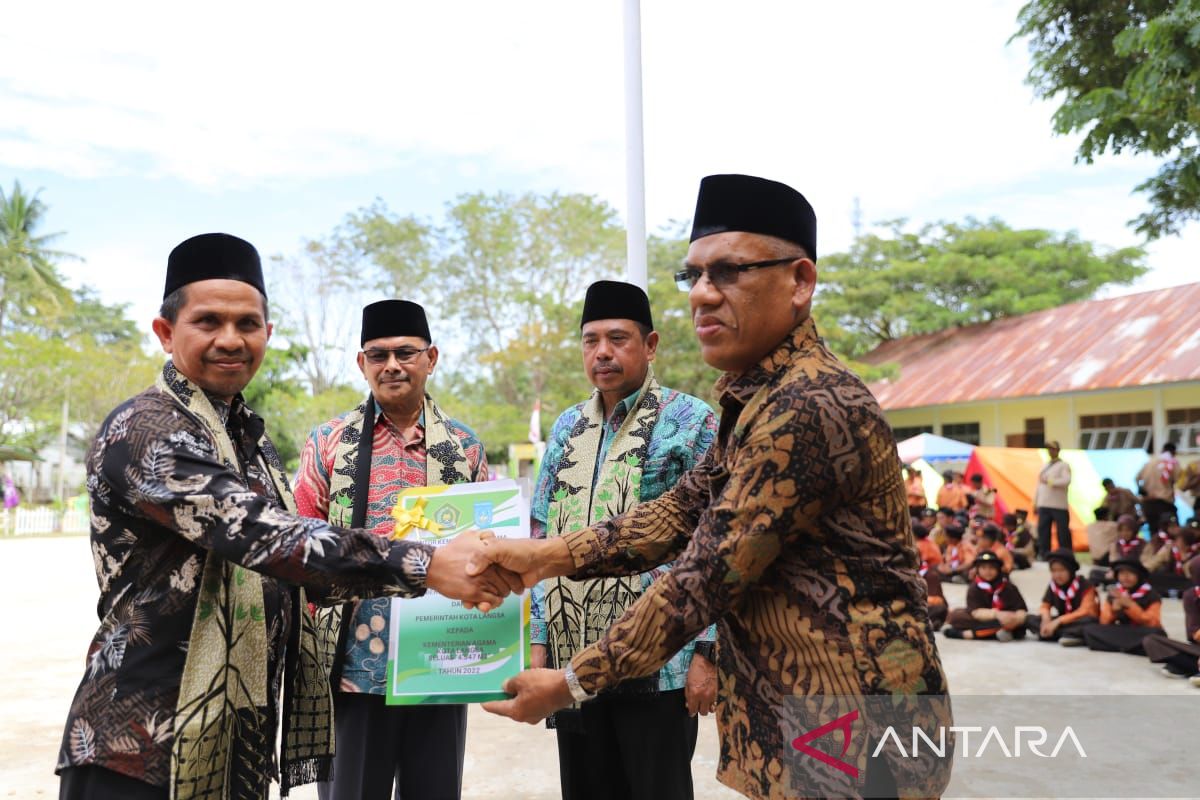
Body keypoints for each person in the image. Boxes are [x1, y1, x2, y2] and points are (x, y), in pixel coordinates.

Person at [468, 174, 952, 800]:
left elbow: (704, 575)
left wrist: (571, 683)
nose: (702, 295)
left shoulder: (807, 405)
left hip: (854, 724)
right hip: (796, 719)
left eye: (728, 272)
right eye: (692, 275)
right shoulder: (753, 398)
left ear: (800, 282)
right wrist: (540, 557)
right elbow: (677, 514)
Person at [54, 234, 517, 800]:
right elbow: (270, 538)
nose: (231, 339)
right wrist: (429, 565)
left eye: (247, 323)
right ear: (165, 332)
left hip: (232, 739)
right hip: (139, 749)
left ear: (267, 335)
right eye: (208, 321)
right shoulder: (148, 430)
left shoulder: (247, 437)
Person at [528, 280, 719, 800]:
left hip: (663, 659)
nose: (603, 353)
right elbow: (543, 536)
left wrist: (708, 652)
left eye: (618, 338)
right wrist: (539, 639)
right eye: (591, 340)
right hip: (575, 659)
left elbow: (719, 542)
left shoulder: (692, 420)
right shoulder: (567, 427)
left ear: (650, 344)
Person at [292, 300, 489, 800]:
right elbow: (299, 545)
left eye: (405, 352)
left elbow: (486, 549)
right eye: (378, 355)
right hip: (351, 671)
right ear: (362, 364)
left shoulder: (464, 449)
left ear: (431, 358)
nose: (392, 365)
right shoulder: (329, 444)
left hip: (442, 662)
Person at [1081, 557, 1165, 656]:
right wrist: (1114, 611)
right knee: (1090, 629)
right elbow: (1104, 622)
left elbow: (1153, 622)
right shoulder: (1115, 593)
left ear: (1139, 575)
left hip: (1142, 631)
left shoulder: (1151, 594)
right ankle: (1132, 648)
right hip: (1123, 630)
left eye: (1130, 573)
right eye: (1121, 573)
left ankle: (1119, 646)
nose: (1125, 577)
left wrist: (1130, 605)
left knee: (1155, 635)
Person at [943, 551, 1028, 641]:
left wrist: (1016, 618)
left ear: (998, 569)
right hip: (984, 619)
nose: (987, 571)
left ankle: (966, 634)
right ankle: (996, 633)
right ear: (977, 570)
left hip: (1008, 619)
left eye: (991, 568)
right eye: (983, 568)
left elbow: (1022, 609)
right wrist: (997, 614)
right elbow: (975, 612)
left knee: (1023, 624)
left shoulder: (1008, 587)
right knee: (957, 616)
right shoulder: (975, 587)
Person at [1142, 555, 1200, 682]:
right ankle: (1193, 667)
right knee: (1151, 640)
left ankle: (1186, 666)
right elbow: (1192, 634)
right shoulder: (1191, 595)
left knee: (1174, 665)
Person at [1026, 549, 1099, 645]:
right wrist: (1046, 619)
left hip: (1077, 621)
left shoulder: (1085, 585)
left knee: (1090, 623)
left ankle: (1062, 634)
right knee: (1029, 619)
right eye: (1054, 571)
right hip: (1064, 623)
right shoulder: (1054, 585)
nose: (1057, 575)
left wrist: (1058, 621)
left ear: (1071, 570)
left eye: (1061, 570)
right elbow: (1045, 606)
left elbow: (1085, 611)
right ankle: (1066, 634)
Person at [1034, 441, 1072, 557]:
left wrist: (1051, 482)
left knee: (1062, 532)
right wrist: (1036, 502)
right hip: (1044, 503)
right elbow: (1039, 485)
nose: (1050, 451)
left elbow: (1066, 481)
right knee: (1043, 530)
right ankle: (1044, 553)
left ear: (1057, 450)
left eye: (1052, 449)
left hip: (1058, 504)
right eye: (1048, 449)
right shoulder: (1045, 465)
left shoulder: (1063, 465)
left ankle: (1065, 554)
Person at [1141, 521, 1199, 597]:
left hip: (1186, 584)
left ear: (1187, 544)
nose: (1176, 543)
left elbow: (1190, 575)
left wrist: (1183, 557)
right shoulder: (1169, 550)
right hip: (1169, 581)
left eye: (1179, 541)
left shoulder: (1195, 555)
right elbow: (1151, 565)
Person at [1088, 514, 1144, 587]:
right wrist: (1114, 571)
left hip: (1135, 572)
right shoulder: (1115, 545)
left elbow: (1145, 562)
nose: (1125, 533)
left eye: (1128, 530)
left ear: (1134, 531)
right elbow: (1113, 561)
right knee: (1094, 573)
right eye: (1122, 531)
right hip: (1119, 573)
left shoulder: (1142, 544)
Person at [1139, 442, 1179, 535]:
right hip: (1164, 502)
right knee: (1170, 532)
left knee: (1154, 533)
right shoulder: (1172, 463)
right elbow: (1179, 480)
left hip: (1148, 502)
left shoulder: (1150, 462)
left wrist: (1143, 491)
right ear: (1174, 452)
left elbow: (1137, 478)